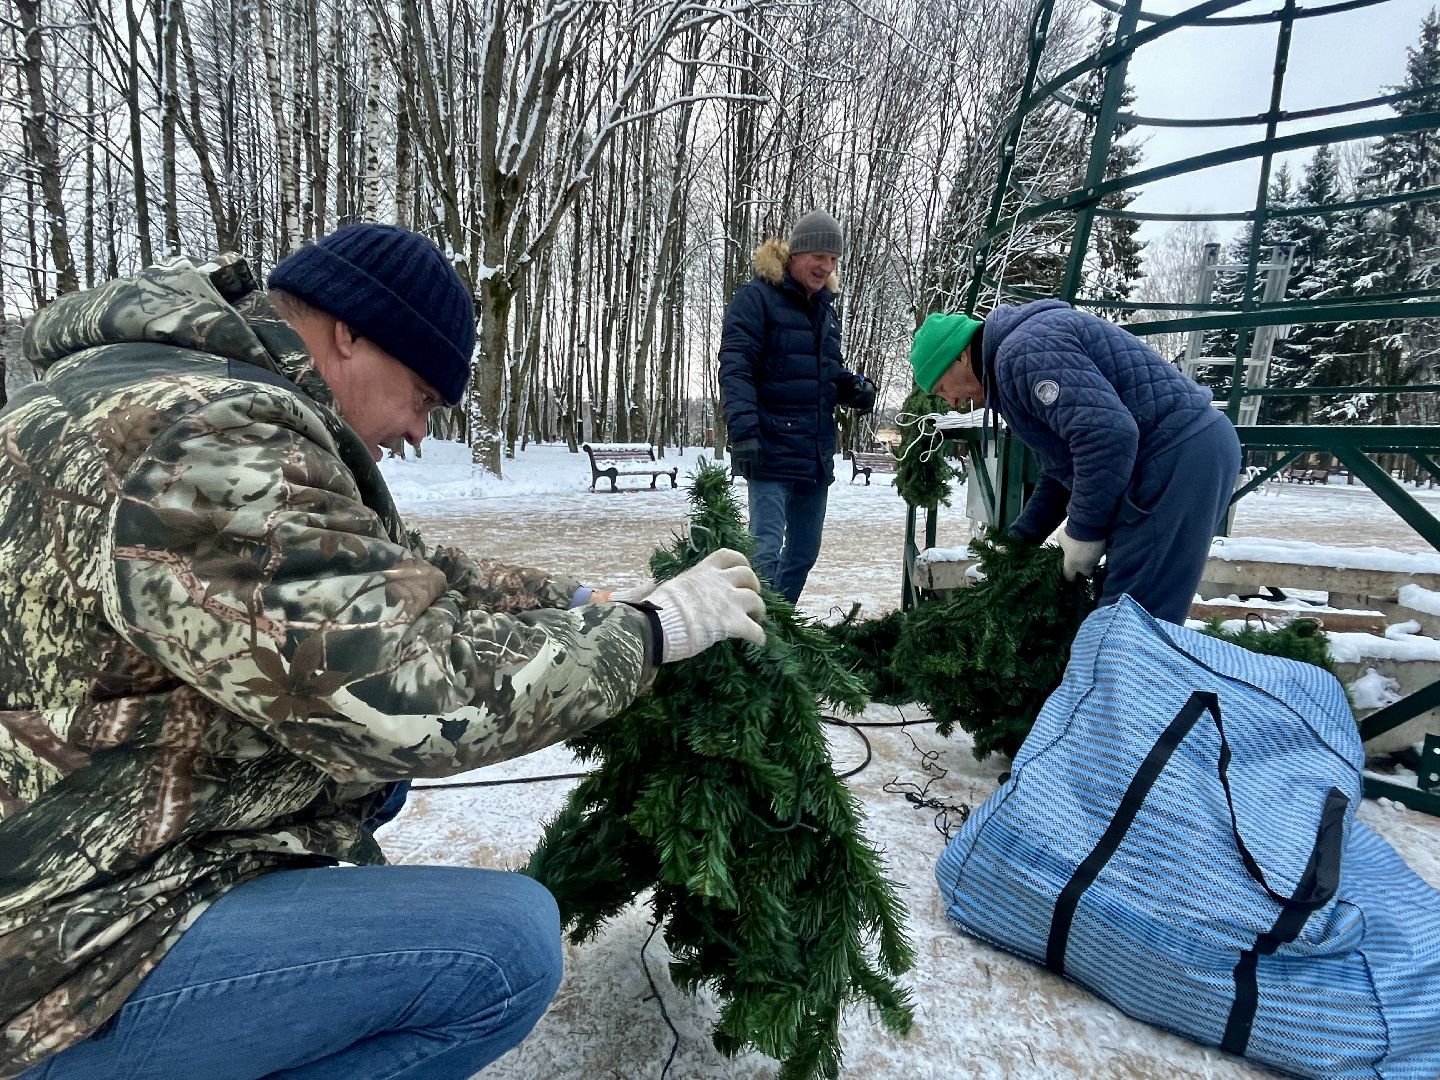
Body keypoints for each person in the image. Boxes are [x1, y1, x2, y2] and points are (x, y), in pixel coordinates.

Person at [0, 223, 767, 1080]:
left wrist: (581, 602)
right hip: (63, 952)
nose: (413, 432)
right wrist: (652, 633)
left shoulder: (171, 389)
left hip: (78, 834)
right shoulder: (204, 438)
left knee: (372, 790)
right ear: (352, 331)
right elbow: (403, 695)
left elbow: (395, 570)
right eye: (424, 397)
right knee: (504, 948)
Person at [908, 299, 1242, 625]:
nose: (951, 402)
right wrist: (1016, 544)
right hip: (1176, 454)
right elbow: (1059, 471)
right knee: (1119, 616)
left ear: (962, 356)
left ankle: (1131, 680)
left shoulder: (1022, 353)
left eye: (941, 388)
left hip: (1178, 457)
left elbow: (1108, 436)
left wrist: (1083, 532)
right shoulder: (1010, 365)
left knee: (1133, 626)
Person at [719, 210, 877, 605]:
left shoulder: (825, 308)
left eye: (834, 260)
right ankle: (755, 635)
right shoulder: (756, 299)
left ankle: (779, 626)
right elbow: (736, 369)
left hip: (813, 453)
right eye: (819, 256)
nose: (826, 267)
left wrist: (851, 387)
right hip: (769, 448)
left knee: (804, 553)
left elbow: (823, 373)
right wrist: (744, 434)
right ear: (795, 254)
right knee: (765, 551)